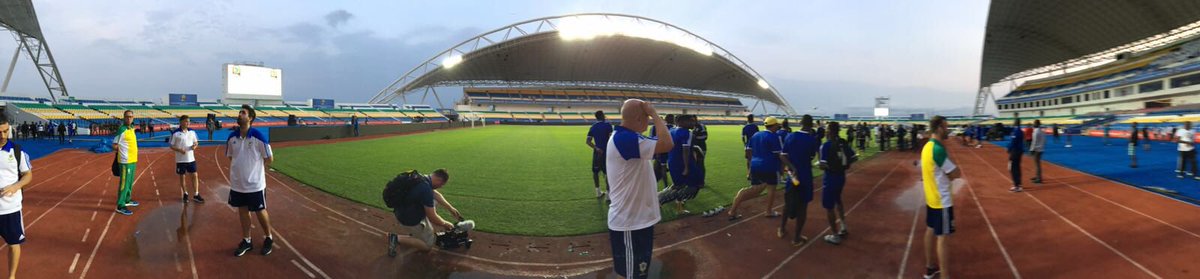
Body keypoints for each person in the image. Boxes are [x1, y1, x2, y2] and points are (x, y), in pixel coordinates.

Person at [605, 99, 672, 279]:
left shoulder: (627, 137)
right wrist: (655, 113)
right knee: (632, 275)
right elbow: (667, 143)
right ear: (638, 118)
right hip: (629, 223)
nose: (649, 121)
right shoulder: (625, 139)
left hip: (636, 221)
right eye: (647, 118)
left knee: (636, 273)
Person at [226, 104, 277, 257]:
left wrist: (255, 170)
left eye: (243, 113)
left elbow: (269, 159)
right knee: (242, 211)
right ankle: (247, 240)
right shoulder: (231, 137)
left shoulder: (258, 136)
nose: (240, 114)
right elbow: (230, 156)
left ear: (250, 118)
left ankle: (268, 238)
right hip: (237, 184)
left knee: (260, 211)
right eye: (240, 112)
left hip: (255, 184)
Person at [728, 116, 795, 220]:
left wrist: (751, 164)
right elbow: (780, 155)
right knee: (771, 188)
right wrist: (786, 168)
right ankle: (768, 211)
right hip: (770, 167)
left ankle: (733, 210)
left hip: (755, 166)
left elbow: (748, 151)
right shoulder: (774, 137)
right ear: (775, 126)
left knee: (755, 190)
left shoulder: (756, 135)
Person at [921, 115, 960, 279]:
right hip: (942, 201)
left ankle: (930, 268)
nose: (948, 129)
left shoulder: (927, 147)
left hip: (931, 198)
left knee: (930, 230)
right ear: (938, 128)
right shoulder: (938, 150)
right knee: (942, 238)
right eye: (946, 127)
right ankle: (945, 276)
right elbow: (955, 174)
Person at [386, 169, 461, 253]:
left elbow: (435, 194)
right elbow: (432, 217)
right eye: (441, 184)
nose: (441, 187)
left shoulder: (420, 178)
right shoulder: (426, 190)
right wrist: (445, 224)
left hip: (400, 210)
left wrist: (450, 208)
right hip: (409, 219)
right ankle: (395, 238)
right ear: (438, 180)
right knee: (427, 245)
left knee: (433, 201)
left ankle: (415, 233)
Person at [780, 115, 819, 246]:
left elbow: (783, 155)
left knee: (787, 202)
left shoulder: (790, 136)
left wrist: (792, 167)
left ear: (801, 123)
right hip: (806, 176)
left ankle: (781, 229)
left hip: (792, 176)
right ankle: (796, 238)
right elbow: (812, 156)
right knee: (803, 207)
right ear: (811, 124)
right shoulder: (812, 140)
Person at [820, 122, 857, 245]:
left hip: (830, 178)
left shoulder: (826, 146)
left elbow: (822, 165)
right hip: (841, 177)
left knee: (829, 207)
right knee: (838, 200)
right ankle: (843, 225)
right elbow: (854, 157)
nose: (825, 131)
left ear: (830, 131)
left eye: (826, 129)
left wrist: (826, 165)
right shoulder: (843, 142)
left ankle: (835, 235)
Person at [658, 115, 701, 214]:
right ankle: (660, 199)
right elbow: (685, 150)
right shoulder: (687, 133)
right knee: (693, 187)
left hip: (673, 162)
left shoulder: (672, 131)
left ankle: (677, 207)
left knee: (677, 186)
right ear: (682, 122)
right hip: (683, 164)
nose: (693, 123)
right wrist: (686, 167)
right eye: (690, 121)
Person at [170, 115, 204, 203]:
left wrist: (195, 146)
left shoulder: (192, 132)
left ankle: (196, 194)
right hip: (181, 160)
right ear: (181, 122)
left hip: (191, 159)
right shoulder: (175, 133)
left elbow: (196, 142)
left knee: (195, 175)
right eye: (186, 121)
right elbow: (172, 146)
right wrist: (179, 150)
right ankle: (185, 193)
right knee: (182, 177)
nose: (188, 123)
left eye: (189, 121)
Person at [113, 111, 140, 215]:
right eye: (127, 117)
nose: (129, 119)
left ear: (133, 118)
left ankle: (127, 200)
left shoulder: (131, 128)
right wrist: (121, 152)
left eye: (131, 117)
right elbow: (114, 145)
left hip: (133, 160)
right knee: (124, 184)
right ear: (124, 118)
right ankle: (120, 205)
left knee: (129, 182)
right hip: (125, 161)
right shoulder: (122, 130)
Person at [586, 110, 614, 199]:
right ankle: (608, 195)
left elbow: (588, 141)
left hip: (597, 153)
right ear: (602, 116)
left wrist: (596, 148)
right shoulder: (608, 125)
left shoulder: (593, 127)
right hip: (606, 152)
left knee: (595, 172)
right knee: (608, 173)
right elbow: (611, 139)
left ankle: (598, 192)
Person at [651, 114, 676, 190]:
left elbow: (656, 139)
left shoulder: (659, 128)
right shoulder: (674, 128)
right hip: (672, 151)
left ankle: (665, 186)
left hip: (662, 151)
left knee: (662, 168)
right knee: (672, 168)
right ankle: (675, 184)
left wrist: (657, 153)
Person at [1008, 118, 1025, 192]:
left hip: (1015, 151)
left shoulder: (1016, 131)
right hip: (1019, 151)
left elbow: (1013, 142)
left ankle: (1016, 185)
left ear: (1015, 123)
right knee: (1017, 167)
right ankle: (1018, 184)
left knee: (1013, 168)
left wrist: (1009, 149)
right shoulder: (1021, 131)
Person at [742, 114, 759, 180]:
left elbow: (743, 137)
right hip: (755, 145)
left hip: (748, 145)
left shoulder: (745, 127)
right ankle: (753, 173)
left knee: (748, 160)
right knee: (755, 159)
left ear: (747, 119)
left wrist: (745, 144)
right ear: (752, 119)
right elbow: (758, 135)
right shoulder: (755, 127)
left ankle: (748, 173)